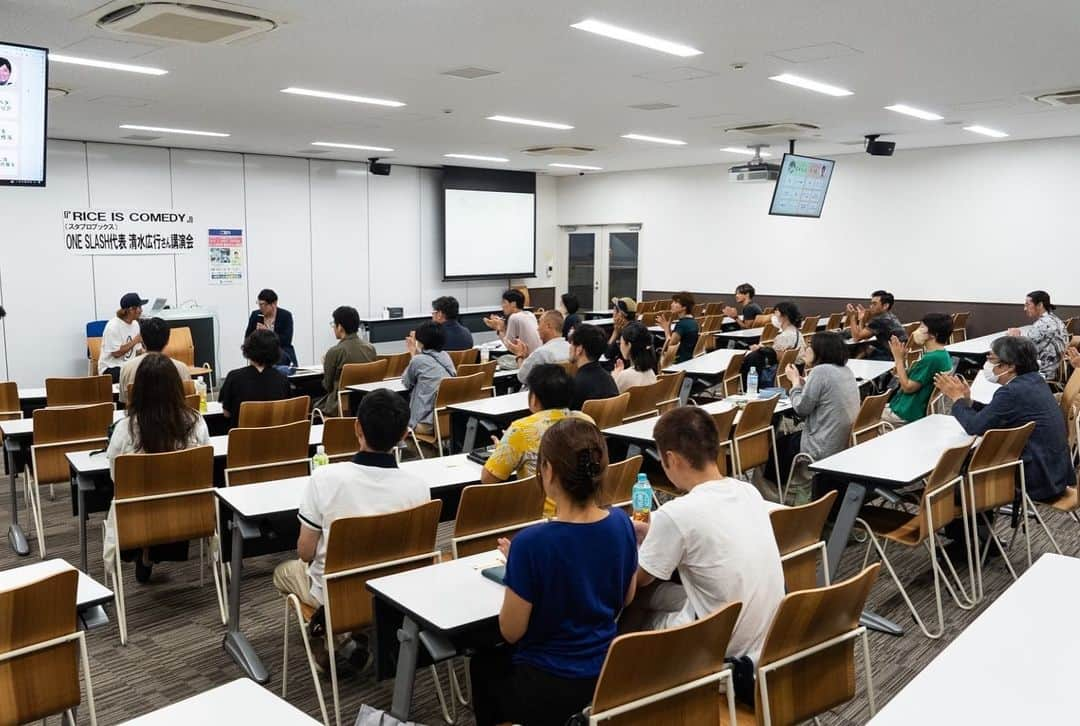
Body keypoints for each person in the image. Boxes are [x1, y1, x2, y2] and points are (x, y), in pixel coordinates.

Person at [469, 418, 638, 726]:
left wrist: (521, 568)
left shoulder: (531, 544)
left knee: (483, 665)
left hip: (546, 685)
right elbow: (627, 597)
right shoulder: (621, 523)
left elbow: (511, 631)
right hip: (605, 674)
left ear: (547, 471)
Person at [273, 389, 430, 671]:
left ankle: (338, 638)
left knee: (284, 573)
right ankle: (348, 637)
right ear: (404, 434)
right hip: (396, 592)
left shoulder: (325, 479)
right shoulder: (419, 488)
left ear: (357, 427)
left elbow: (306, 552)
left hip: (338, 596)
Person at [626, 406, 784, 664]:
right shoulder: (749, 492)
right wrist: (657, 531)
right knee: (662, 591)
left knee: (637, 603)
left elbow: (637, 580)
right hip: (768, 642)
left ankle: (627, 681)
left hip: (721, 654)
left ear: (672, 459)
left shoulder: (676, 514)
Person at [104, 353, 211, 583]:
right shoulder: (196, 422)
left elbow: (116, 476)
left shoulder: (125, 429)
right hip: (189, 512)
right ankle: (150, 555)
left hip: (137, 518)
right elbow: (205, 465)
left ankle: (144, 553)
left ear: (139, 390)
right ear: (176, 387)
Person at [935, 336, 1074, 502]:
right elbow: (995, 414)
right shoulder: (1035, 381)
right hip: (1055, 472)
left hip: (1035, 478)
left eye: (993, 360)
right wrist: (969, 402)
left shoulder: (1011, 392)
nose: (988, 366)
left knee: (949, 487)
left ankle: (971, 523)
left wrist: (957, 400)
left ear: (1010, 366)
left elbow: (974, 426)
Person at [481, 364, 592, 501]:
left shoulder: (521, 430)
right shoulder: (586, 422)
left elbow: (487, 479)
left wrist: (504, 449)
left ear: (533, 398)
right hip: (583, 507)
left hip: (539, 514)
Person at [784, 332, 860, 504]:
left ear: (821, 350)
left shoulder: (820, 371)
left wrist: (795, 382)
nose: (806, 349)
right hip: (842, 441)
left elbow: (801, 409)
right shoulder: (845, 370)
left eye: (810, 345)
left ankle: (787, 499)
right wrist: (805, 383)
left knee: (777, 447)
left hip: (821, 445)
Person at [881, 313, 955, 426]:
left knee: (863, 416)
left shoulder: (932, 359)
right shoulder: (942, 354)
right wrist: (902, 360)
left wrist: (898, 359)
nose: (917, 331)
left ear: (933, 335)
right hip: (911, 406)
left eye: (922, 327)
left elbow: (907, 387)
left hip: (907, 411)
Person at [218, 329, 292, 428]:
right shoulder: (283, 380)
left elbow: (227, 413)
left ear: (248, 349)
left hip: (243, 441)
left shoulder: (234, 377)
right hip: (275, 440)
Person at [312, 306, 375, 416]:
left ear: (340, 327)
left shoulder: (335, 352)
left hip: (339, 406)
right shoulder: (370, 348)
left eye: (333, 324)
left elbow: (327, 386)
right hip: (365, 403)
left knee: (312, 402)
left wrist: (325, 364)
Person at [118, 317, 191, 404]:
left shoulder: (127, 368)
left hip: (138, 417)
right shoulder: (181, 368)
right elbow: (187, 398)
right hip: (172, 417)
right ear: (167, 341)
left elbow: (124, 401)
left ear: (142, 341)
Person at [401, 322, 456, 435]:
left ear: (421, 342)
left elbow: (406, 382)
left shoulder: (418, 360)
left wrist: (413, 354)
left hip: (425, 423)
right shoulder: (445, 356)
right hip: (447, 420)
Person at [742, 301, 806, 387]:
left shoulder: (784, 336)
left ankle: (749, 388)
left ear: (784, 316)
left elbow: (778, 358)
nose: (773, 317)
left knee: (753, 358)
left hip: (780, 374)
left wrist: (761, 350)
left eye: (775, 314)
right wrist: (765, 349)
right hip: (794, 371)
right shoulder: (797, 333)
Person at [1008, 290, 1067, 380]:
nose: (1025, 308)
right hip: (1055, 370)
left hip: (1043, 374)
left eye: (1027, 305)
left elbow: (1022, 353)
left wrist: (1015, 337)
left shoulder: (1041, 325)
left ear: (1040, 305)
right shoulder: (1055, 320)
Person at [509, 310, 571, 384]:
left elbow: (522, 377)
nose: (537, 329)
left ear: (548, 326)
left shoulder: (541, 353)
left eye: (539, 323)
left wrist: (520, 355)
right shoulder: (571, 349)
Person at [569, 323, 618, 410]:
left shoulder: (576, 385)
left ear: (579, 349)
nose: (569, 348)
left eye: (572, 344)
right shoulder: (609, 379)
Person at [847, 290, 907, 361]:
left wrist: (852, 317)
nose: (871, 306)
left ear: (885, 306)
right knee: (865, 349)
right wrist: (862, 319)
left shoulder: (880, 320)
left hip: (892, 357)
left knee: (861, 352)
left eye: (874, 304)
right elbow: (864, 336)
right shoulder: (890, 316)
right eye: (871, 304)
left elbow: (856, 338)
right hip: (900, 355)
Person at [99, 292, 146, 382]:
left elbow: (138, 351)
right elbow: (116, 353)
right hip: (111, 368)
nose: (141, 311)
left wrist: (150, 354)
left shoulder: (135, 324)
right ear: (131, 310)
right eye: (139, 307)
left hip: (128, 366)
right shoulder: (113, 326)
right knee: (138, 376)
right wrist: (136, 340)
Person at [245, 289, 296, 367]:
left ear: (274, 304)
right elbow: (247, 337)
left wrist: (268, 332)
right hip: (261, 354)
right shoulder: (255, 315)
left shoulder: (285, 315)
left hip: (281, 352)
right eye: (259, 304)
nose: (261, 307)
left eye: (264, 304)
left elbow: (286, 340)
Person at [484, 288, 541, 354]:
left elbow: (510, 347)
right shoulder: (530, 314)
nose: (502, 306)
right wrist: (502, 327)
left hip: (528, 359)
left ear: (513, 304)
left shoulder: (514, 317)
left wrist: (499, 329)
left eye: (504, 302)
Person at [612, 321, 658, 393]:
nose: (620, 347)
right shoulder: (651, 372)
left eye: (620, 343)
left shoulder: (624, 376)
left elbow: (612, 400)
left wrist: (615, 376)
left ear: (629, 345)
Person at [658, 292, 699, 365]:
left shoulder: (682, 324)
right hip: (689, 358)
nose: (672, 304)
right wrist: (668, 328)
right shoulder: (693, 322)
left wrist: (666, 329)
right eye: (673, 302)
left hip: (680, 360)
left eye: (676, 303)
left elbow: (670, 346)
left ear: (684, 307)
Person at [604, 297, 637, 365]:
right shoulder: (637, 327)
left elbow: (607, 354)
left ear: (620, 314)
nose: (613, 313)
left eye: (615, 310)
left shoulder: (625, 332)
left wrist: (615, 333)